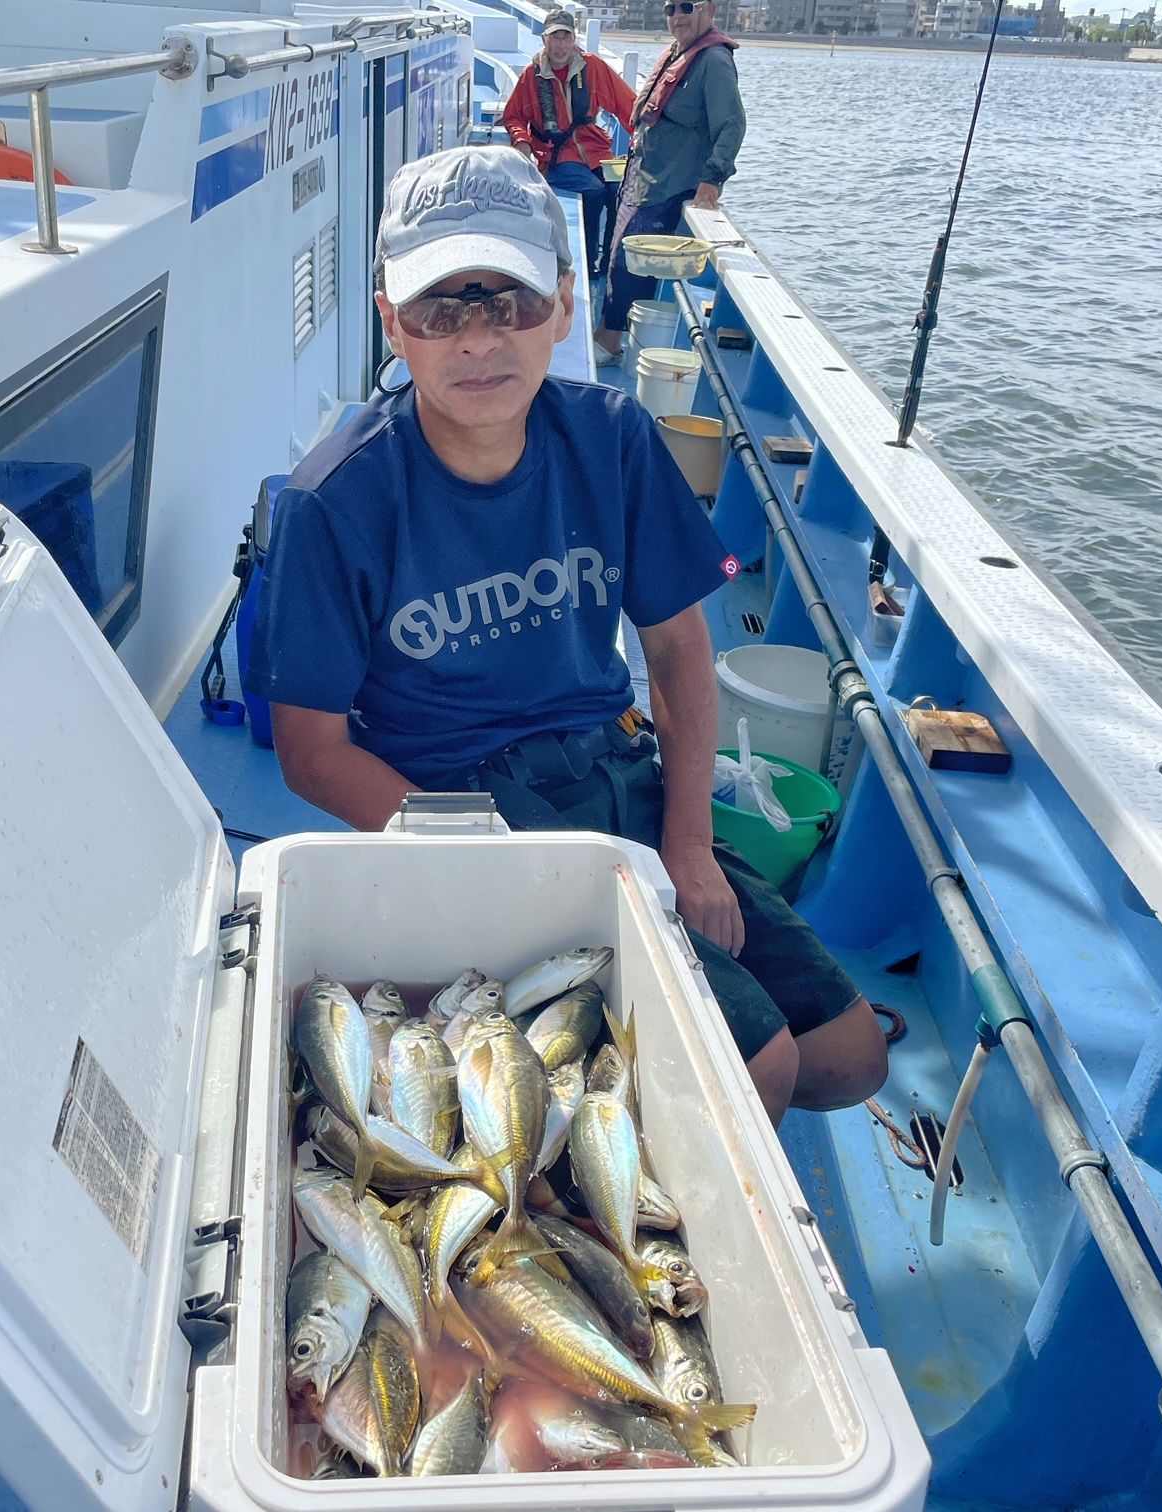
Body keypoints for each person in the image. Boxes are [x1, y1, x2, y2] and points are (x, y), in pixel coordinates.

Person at [246, 145, 887, 1126]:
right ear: (392, 324)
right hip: (462, 806)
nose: (478, 339)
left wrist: (689, 844)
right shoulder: (334, 502)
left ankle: (624, 1101)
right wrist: (498, 870)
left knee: (851, 1059)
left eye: (511, 301)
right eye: (440, 310)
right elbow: (311, 751)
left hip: (613, 771)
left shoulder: (613, 438)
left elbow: (677, 648)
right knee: (760, 1067)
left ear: (563, 308)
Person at [595, 0, 745, 367]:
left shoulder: (714, 60)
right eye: (670, 9)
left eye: (687, 7)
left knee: (631, 262)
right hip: (642, 180)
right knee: (617, 256)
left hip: (670, 186)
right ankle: (608, 335)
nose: (677, 16)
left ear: (709, 10)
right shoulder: (678, 52)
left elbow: (732, 125)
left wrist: (711, 180)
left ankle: (611, 341)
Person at [502, 9, 635, 281]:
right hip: (556, 155)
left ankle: (609, 263)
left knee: (618, 193)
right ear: (544, 40)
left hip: (595, 149)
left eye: (566, 37)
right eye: (554, 37)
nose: (560, 45)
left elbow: (627, 105)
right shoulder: (531, 75)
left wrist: (643, 137)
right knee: (594, 191)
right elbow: (513, 116)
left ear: (574, 40)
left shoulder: (593, 67)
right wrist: (521, 140)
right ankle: (586, 262)